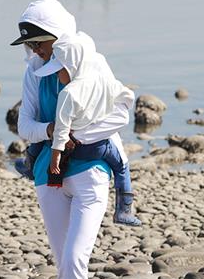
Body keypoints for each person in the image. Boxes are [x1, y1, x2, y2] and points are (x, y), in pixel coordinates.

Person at [10, 0, 135, 279]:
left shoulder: (92, 64)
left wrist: (76, 133)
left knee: (75, 258)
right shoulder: (33, 72)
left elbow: (119, 114)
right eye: (29, 45)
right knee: (63, 264)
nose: (33, 51)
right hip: (48, 174)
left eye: (38, 43)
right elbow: (24, 126)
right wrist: (52, 130)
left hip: (90, 173)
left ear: (59, 38)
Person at [39, 31, 135, 219]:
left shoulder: (69, 93)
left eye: (59, 70)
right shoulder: (102, 82)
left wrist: (55, 158)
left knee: (42, 147)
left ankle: (34, 166)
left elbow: (61, 128)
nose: (57, 75)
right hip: (100, 147)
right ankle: (124, 210)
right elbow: (127, 97)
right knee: (122, 167)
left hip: (76, 149)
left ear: (71, 66)